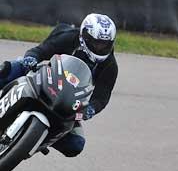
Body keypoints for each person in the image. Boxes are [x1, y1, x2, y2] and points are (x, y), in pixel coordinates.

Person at [0, 14, 118, 158]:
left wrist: (91, 108)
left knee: (76, 144)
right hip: (45, 77)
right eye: (96, 42)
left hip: (69, 100)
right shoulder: (69, 38)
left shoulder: (110, 65)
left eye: (105, 44)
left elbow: (102, 96)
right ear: (85, 37)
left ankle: (33, 140)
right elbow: (40, 50)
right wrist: (31, 59)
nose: (100, 47)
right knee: (8, 68)